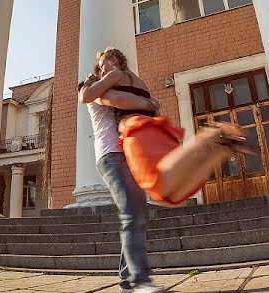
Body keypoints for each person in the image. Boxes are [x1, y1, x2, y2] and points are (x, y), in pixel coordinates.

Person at [82, 47, 257, 207]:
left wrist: (87, 84)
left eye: (102, 64)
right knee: (173, 193)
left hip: (136, 128)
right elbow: (154, 106)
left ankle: (211, 137)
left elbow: (88, 96)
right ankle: (220, 150)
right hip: (155, 126)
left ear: (113, 60)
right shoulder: (139, 82)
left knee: (158, 185)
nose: (102, 71)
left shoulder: (116, 75)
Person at [79, 66, 165, 293]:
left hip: (126, 154)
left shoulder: (112, 89)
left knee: (137, 215)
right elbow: (120, 100)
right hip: (111, 156)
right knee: (131, 215)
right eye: (106, 68)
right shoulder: (97, 91)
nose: (112, 71)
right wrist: (148, 103)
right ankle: (140, 281)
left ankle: (127, 281)